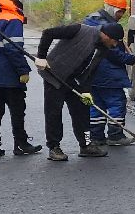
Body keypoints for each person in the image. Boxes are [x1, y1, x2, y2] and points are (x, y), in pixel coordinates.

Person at [36, 19, 124, 161]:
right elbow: (48, 33)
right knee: (54, 113)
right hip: (54, 75)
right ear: (107, 35)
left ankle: (86, 145)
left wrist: (86, 90)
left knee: (82, 113)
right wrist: (41, 57)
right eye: (114, 41)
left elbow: (91, 71)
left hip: (74, 81)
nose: (114, 45)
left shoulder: (102, 48)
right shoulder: (79, 30)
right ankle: (54, 147)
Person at [0, 0, 41, 158]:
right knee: (17, 110)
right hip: (8, 75)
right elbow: (13, 48)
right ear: (17, 8)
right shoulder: (12, 20)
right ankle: (20, 144)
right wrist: (23, 70)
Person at [82, 0, 135, 145]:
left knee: (97, 105)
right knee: (116, 103)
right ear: (112, 8)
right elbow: (110, 51)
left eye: (123, 12)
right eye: (120, 11)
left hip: (92, 73)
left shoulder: (91, 20)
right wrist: (128, 59)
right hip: (107, 73)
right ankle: (115, 136)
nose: (121, 15)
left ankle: (96, 137)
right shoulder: (103, 26)